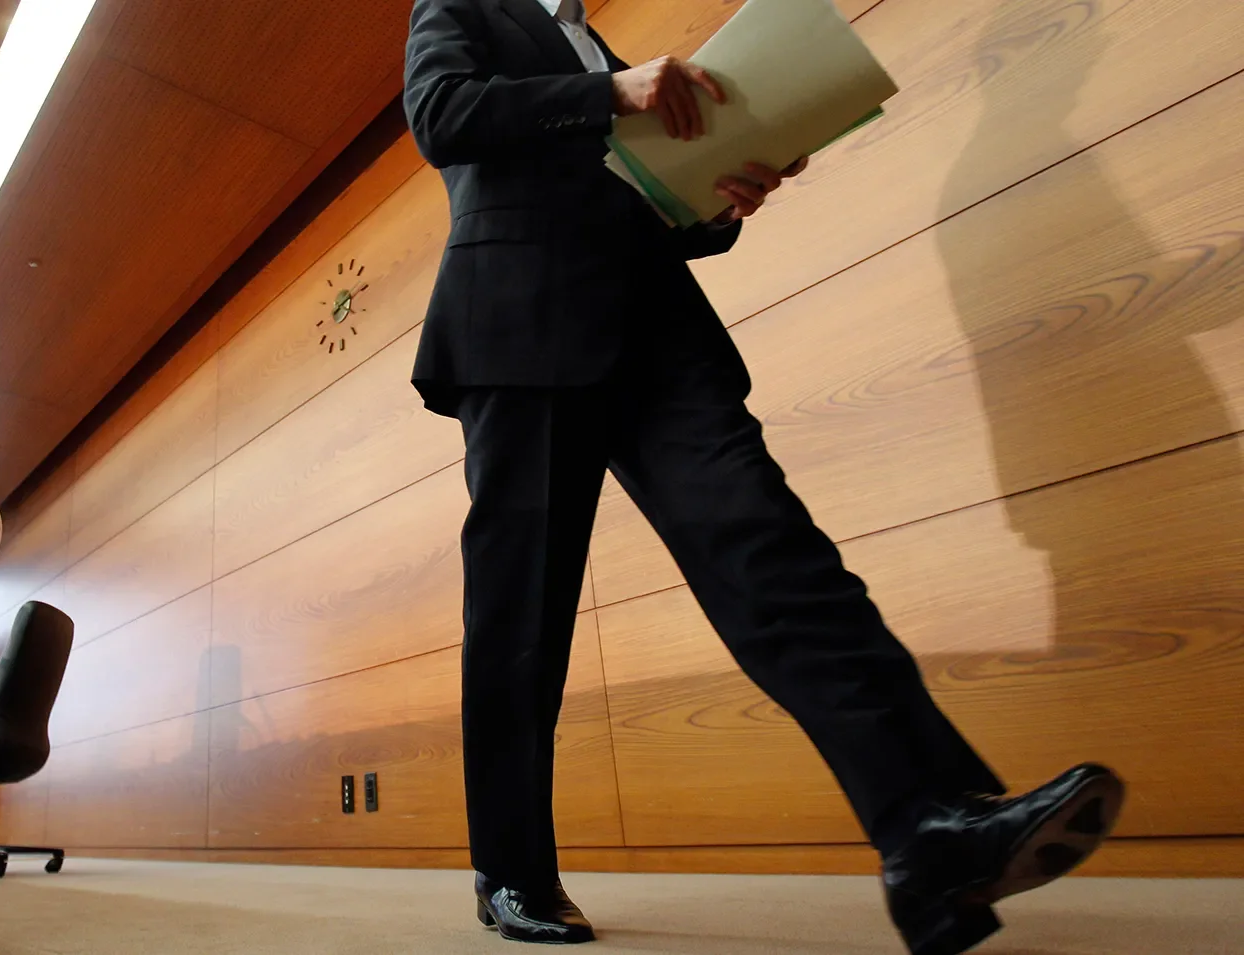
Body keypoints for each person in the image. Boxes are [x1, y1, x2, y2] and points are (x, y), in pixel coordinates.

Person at [401, 1, 1125, 953]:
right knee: (521, 618)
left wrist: (722, 194)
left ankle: (928, 829)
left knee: (776, 554)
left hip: (657, 341)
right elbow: (442, 114)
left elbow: (645, 198)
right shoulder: (462, 6)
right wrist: (612, 90)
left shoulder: (598, 45)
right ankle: (512, 870)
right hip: (518, 327)